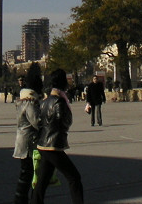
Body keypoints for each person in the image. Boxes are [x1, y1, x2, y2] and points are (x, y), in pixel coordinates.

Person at [31, 68, 84, 204]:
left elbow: (39, 121)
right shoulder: (59, 102)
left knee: (43, 180)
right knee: (74, 177)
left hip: (43, 143)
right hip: (53, 145)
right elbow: (64, 120)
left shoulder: (45, 101)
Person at [12, 75, 43, 204]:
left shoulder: (22, 101)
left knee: (26, 172)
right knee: (27, 173)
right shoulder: (29, 103)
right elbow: (36, 121)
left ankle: (22, 198)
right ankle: (20, 199)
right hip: (28, 142)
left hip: (22, 140)